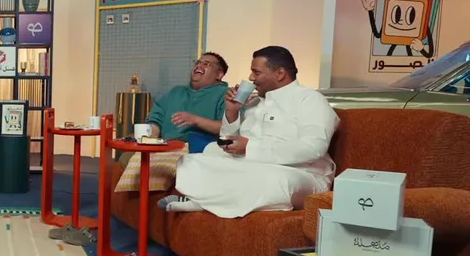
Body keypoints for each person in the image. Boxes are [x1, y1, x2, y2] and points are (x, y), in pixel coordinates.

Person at [161, 45, 340, 218]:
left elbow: (313, 149)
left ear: (280, 73)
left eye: (257, 72)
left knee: (275, 180)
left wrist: (249, 148)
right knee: (190, 161)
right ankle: (210, 201)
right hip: (251, 166)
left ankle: (200, 202)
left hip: (301, 173)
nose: (251, 78)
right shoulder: (253, 104)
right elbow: (228, 139)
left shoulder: (310, 100)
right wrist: (231, 112)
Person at [112, 53, 229, 195]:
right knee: (126, 158)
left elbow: (227, 128)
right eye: (198, 62)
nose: (199, 66)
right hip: (164, 146)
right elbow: (155, 119)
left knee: (184, 165)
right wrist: (150, 139)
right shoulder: (175, 92)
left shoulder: (226, 94)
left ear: (219, 74)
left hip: (197, 148)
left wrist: (196, 120)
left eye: (206, 64)